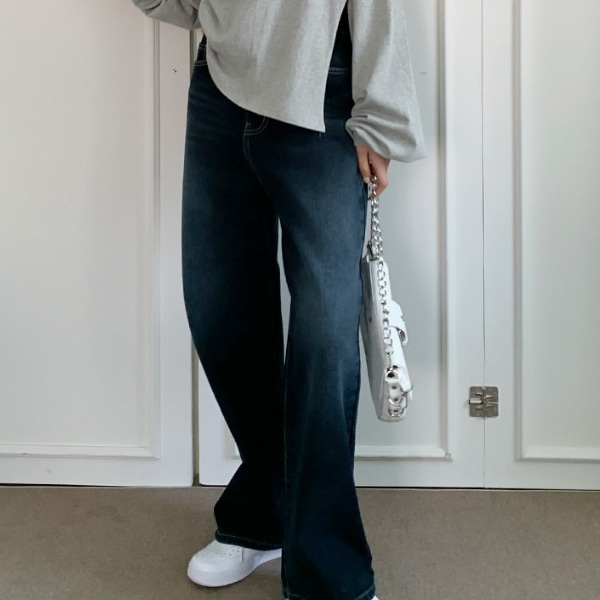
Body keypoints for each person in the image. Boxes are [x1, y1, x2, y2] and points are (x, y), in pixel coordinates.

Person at [131, 2, 426, 599]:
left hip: (324, 84)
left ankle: (328, 574)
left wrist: (380, 113)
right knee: (219, 307)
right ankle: (266, 513)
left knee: (324, 336)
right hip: (219, 79)